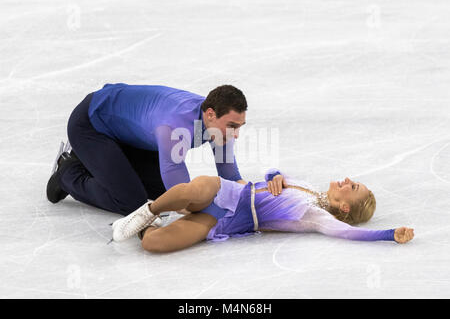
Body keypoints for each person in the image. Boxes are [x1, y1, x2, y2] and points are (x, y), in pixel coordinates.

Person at [46, 84, 247, 219]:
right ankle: (67, 171)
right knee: (132, 203)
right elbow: (183, 200)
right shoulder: (175, 128)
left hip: (126, 133)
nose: (236, 134)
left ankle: (94, 160)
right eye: (232, 126)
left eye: (239, 126)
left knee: (160, 191)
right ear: (210, 114)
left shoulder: (219, 125)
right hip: (90, 125)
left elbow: (230, 176)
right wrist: (222, 214)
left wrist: (259, 197)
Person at [111, 169, 415, 253]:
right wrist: (273, 175)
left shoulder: (316, 216)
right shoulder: (308, 186)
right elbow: (273, 173)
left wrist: (389, 234)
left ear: (345, 206)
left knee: (154, 243)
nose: (348, 180)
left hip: (228, 221)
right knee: (191, 191)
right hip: (229, 191)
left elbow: (348, 232)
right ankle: (147, 211)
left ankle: (150, 224)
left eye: (353, 186)